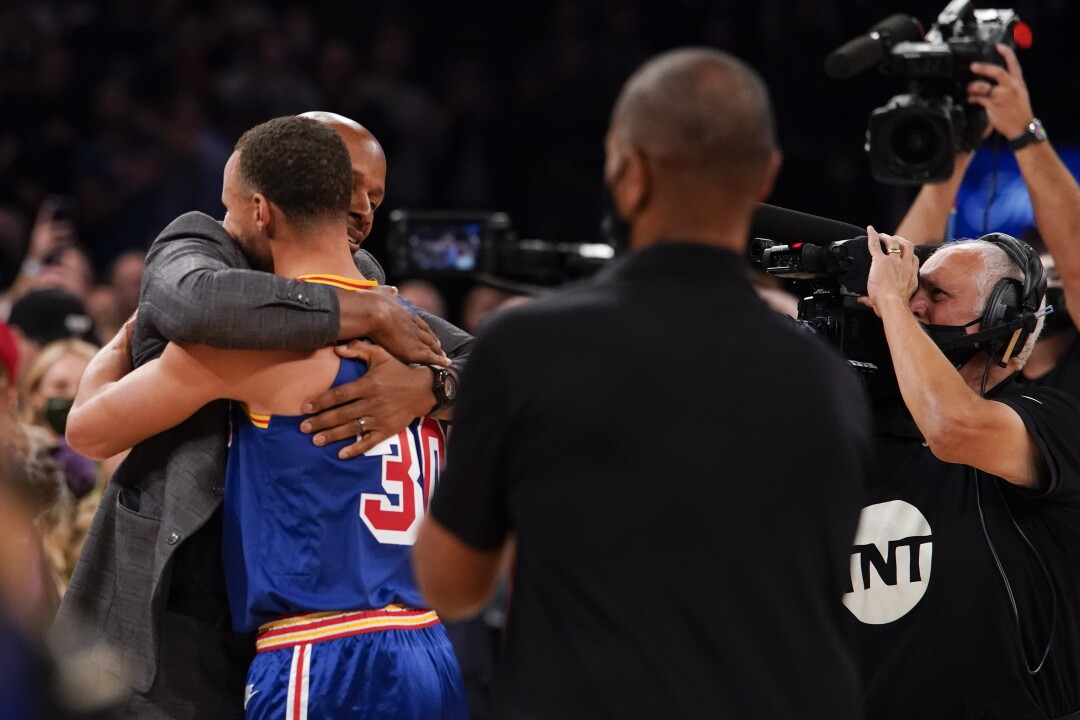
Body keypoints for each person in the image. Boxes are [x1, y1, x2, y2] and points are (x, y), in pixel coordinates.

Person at [413, 48, 872, 719]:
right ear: (765, 175)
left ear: (628, 176)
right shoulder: (827, 376)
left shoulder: (526, 346)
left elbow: (451, 585)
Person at [52, 112, 472, 719]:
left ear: (261, 209)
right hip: (424, 643)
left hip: (318, 649)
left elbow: (87, 429)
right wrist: (431, 379)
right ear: (345, 204)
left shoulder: (238, 351)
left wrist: (116, 350)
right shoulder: (407, 333)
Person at [850, 227, 1080, 718]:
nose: (914, 306)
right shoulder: (858, 434)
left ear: (1004, 321)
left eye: (938, 295)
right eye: (914, 291)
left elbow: (953, 428)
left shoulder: (1051, 417)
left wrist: (890, 302)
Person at [895, 43, 1080, 400]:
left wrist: (1024, 131)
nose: (1050, 269)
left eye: (1057, 269)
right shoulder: (954, 359)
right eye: (1039, 264)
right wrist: (956, 154)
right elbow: (903, 265)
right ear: (1002, 301)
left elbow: (1074, 248)